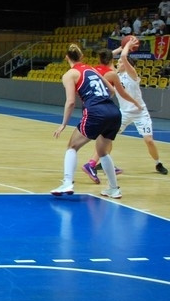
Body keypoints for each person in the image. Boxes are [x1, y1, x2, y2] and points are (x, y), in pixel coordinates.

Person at [84, 40, 167, 178]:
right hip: (124, 113)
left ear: (128, 64)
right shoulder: (114, 75)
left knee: (149, 140)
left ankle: (158, 163)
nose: (118, 63)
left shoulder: (133, 75)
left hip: (140, 112)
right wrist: (120, 48)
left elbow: (123, 57)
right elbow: (108, 58)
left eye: (121, 63)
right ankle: (102, 161)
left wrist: (127, 46)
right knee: (106, 138)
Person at [50, 43, 123, 199]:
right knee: (103, 152)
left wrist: (63, 124)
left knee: (72, 146)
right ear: (82, 57)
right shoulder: (92, 69)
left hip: (96, 113)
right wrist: (101, 103)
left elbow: (70, 102)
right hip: (114, 112)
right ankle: (114, 189)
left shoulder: (69, 75)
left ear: (66, 58)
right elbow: (112, 91)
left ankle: (67, 183)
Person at [80, 47, 141, 182]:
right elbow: (122, 93)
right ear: (112, 61)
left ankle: (106, 164)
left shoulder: (93, 69)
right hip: (103, 109)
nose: (118, 63)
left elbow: (107, 56)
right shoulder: (112, 73)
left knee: (108, 137)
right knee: (104, 138)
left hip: (90, 106)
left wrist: (120, 48)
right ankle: (91, 164)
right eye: (117, 61)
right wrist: (135, 102)